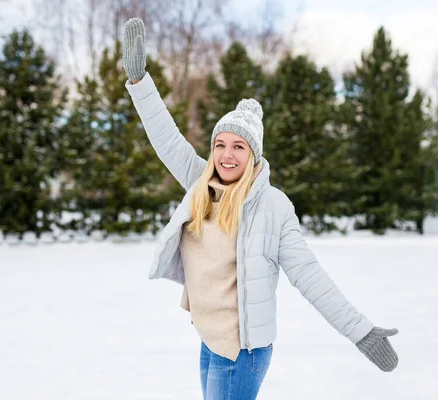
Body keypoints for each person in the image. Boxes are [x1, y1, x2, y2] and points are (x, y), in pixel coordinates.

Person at [122, 17, 399, 400]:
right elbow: (167, 138)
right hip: (210, 338)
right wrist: (140, 83)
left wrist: (361, 331)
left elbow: (310, 277)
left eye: (239, 146)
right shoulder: (203, 184)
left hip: (241, 352)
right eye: (221, 144)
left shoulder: (272, 206)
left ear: (254, 155)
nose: (226, 155)